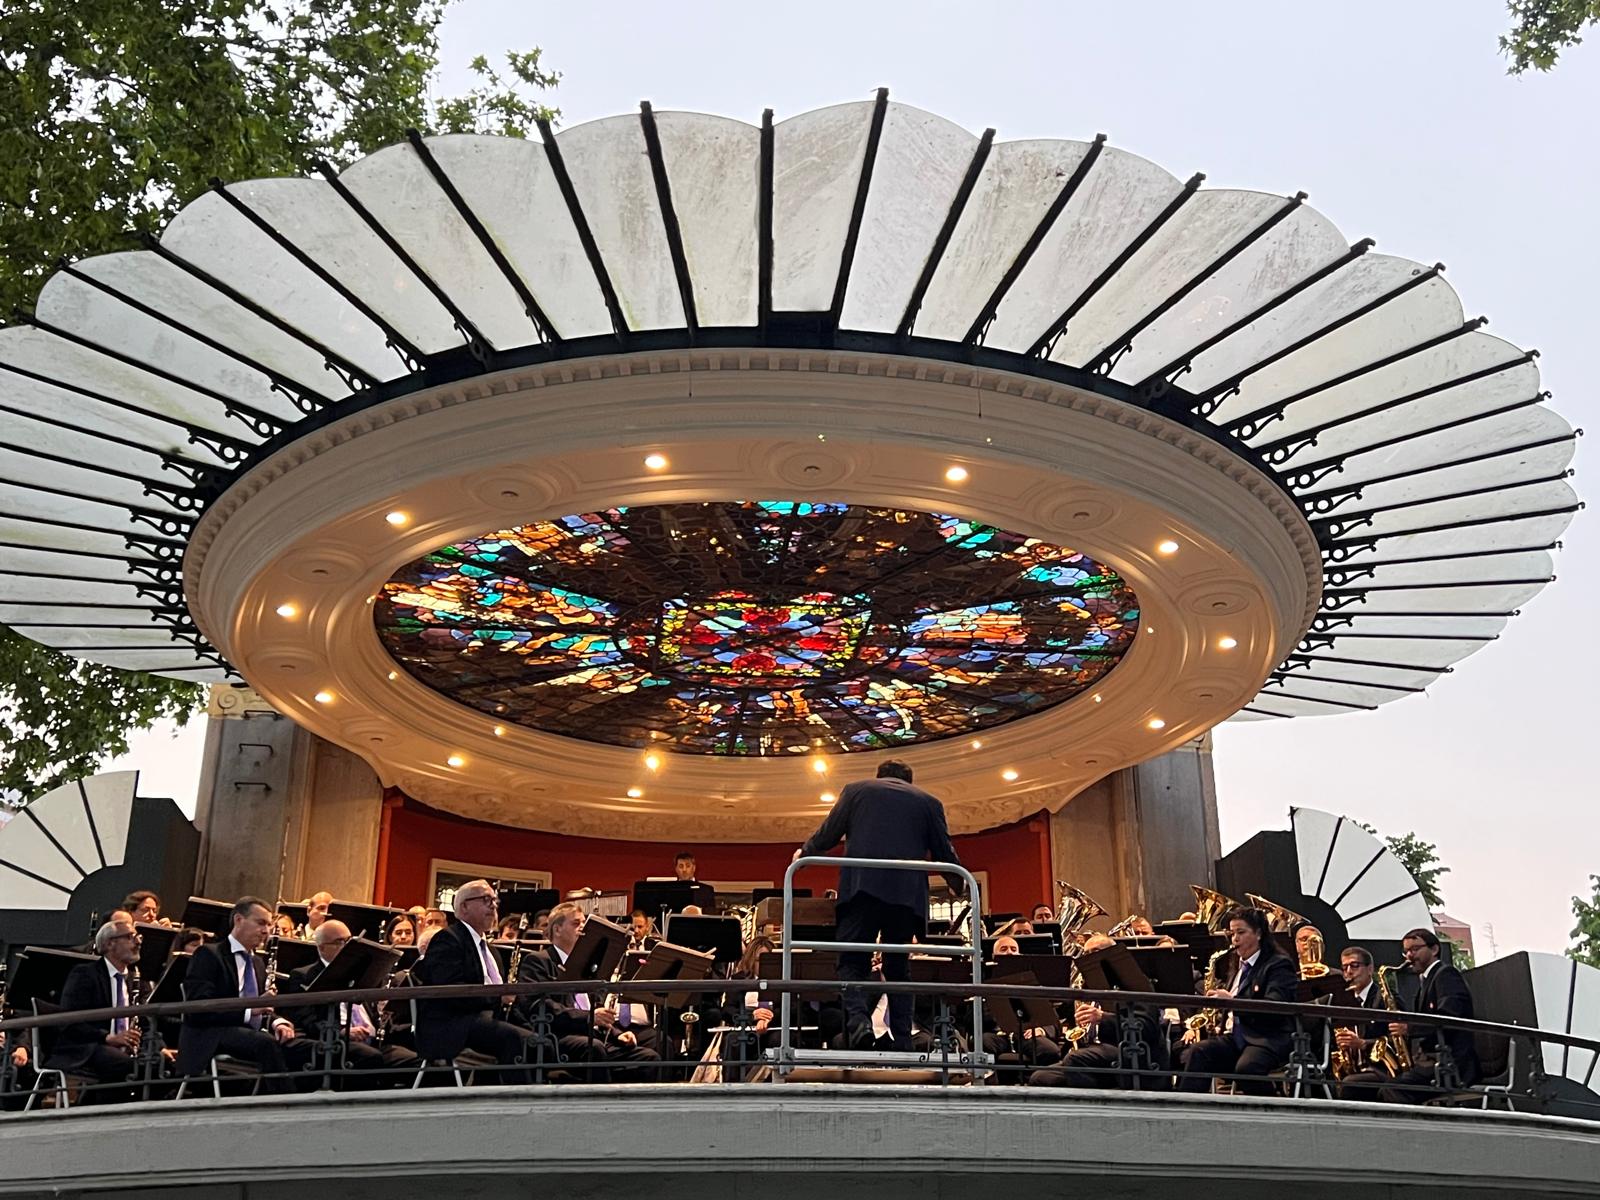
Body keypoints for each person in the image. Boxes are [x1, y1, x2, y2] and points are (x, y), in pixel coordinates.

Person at [794, 759, 963, 1051]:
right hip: (906, 896)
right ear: (909, 780)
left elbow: (829, 833)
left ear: (879, 776)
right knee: (898, 967)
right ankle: (902, 1040)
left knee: (851, 961)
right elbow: (943, 851)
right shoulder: (929, 802)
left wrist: (804, 853)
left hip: (863, 888)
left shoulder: (856, 791)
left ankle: (859, 1024)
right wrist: (959, 882)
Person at [520, 902, 662, 1081]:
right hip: (559, 1035)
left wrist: (617, 1033)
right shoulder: (538, 961)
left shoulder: (587, 964)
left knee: (649, 1059)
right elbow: (538, 1006)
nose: (582, 929)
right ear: (557, 930)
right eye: (576, 924)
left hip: (593, 1035)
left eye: (583, 924)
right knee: (594, 1048)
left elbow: (594, 1009)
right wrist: (589, 1018)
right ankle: (602, 1106)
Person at [177, 896, 304, 1094]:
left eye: (269, 925)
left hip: (245, 1031)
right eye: (260, 923)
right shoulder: (209, 954)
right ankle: (283, 1101)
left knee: (295, 1042)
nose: (266, 931)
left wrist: (277, 1022)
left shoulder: (258, 963)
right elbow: (200, 1006)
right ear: (238, 920)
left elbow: (260, 1006)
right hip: (212, 1032)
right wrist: (250, 1011)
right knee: (267, 1044)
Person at [413, 879, 532, 1082]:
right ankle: (519, 1102)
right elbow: (450, 991)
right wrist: (497, 997)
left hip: (483, 1020)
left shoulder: (491, 949)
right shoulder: (448, 939)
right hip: (451, 1024)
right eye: (486, 900)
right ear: (464, 907)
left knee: (539, 1039)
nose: (493, 905)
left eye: (495, 900)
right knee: (514, 1038)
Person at [1177, 905, 1297, 1095]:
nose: (1235, 939)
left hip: (1266, 1038)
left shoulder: (1278, 965)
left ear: (1258, 934)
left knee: (1247, 1069)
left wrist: (1232, 1000)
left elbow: (1275, 1007)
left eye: (1241, 932)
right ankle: (1186, 1110)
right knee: (1198, 1052)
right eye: (1232, 933)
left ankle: (1273, 1109)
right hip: (1237, 1037)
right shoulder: (1238, 966)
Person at [284, 920, 418, 1087]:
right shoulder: (303, 975)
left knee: (416, 1061)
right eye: (341, 942)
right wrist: (342, 1031)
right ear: (322, 947)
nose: (348, 947)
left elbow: (373, 1013)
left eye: (350, 941)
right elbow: (307, 1019)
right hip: (336, 1041)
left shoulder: (363, 971)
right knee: (370, 1057)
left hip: (373, 1040)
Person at [1377, 927, 1481, 1103]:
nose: (1410, 956)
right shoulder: (1425, 981)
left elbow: (1448, 1016)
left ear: (1434, 949)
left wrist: (1408, 1028)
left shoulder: (1446, 975)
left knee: (1391, 1091)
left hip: (1452, 1065)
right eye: (1406, 951)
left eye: (1415, 949)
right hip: (1435, 1062)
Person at [44, 919, 142, 1100]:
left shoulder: (135, 979)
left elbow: (145, 1018)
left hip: (122, 1047)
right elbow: (70, 1021)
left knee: (158, 1063)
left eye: (137, 937)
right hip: (88, 1045)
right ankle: (105, 1113)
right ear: (109, 943)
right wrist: (108, 1037)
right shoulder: (85, 974)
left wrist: (159, 1047)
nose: (138, 942)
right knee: (124, 1065)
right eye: (130, 937)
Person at [1331, 946, 1394, 1101]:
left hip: (1381, 1069)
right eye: (1344, 968)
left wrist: (1363, 1044)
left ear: (1370, 969)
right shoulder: (1344, 1001)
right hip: (1355, 1068)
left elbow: (1399, 1039)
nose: (1348, 972)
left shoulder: (1386, 998)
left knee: (1350, 1085)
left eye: (1354, 966)